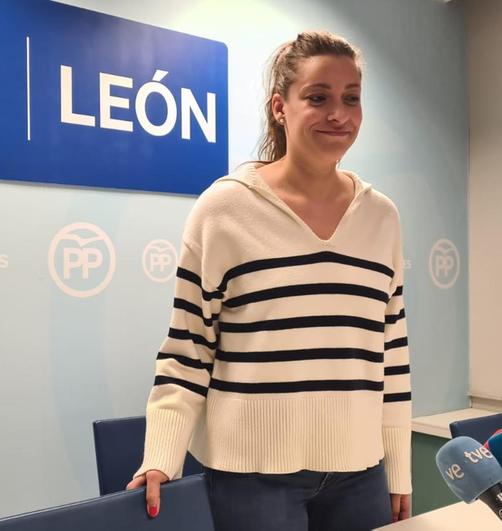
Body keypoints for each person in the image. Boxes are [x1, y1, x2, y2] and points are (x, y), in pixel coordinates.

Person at [126, 30, 412, 531]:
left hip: (360, 473)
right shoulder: (225, 207)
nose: (338, 114)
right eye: (318, 97)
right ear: (281, 107)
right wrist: (162, 457)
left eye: (351, 99)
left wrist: (400, 472)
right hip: (251, 478)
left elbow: (391, 354)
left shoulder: (381, 217)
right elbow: (188, 349)